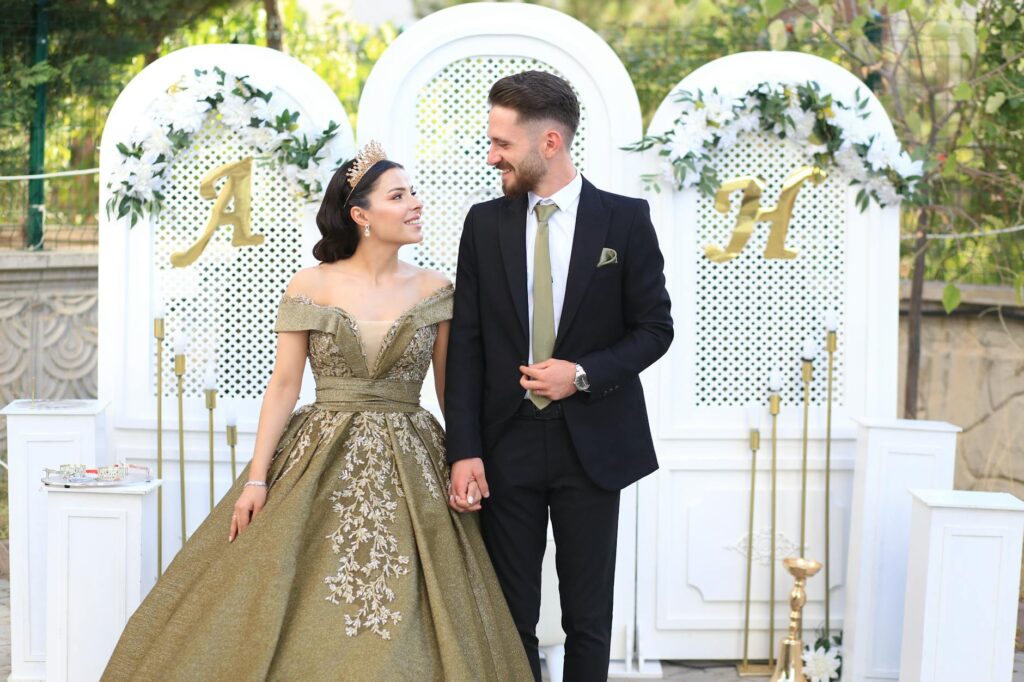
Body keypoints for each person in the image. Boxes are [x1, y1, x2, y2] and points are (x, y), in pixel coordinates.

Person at [102, 141, 533, 681]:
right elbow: (284, 385)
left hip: (414, 457)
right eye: (399, 195)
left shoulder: (437, 287)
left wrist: (465, 459)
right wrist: (256, 481)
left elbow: (452, 390)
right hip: (318, 454)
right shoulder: (311, 284)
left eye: (413, 193)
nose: (416, 204)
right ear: (361, 215)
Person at [445, 71, 674, 681]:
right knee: (509, 614)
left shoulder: (624, 221)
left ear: (550, 142)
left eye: (502, 143)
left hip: (593, 445)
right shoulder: (483, 223)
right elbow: (465, 344)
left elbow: (655, 329)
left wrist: (581, 373)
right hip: (505, 444)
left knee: (588, 616)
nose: (491, 155)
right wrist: (462, 449)